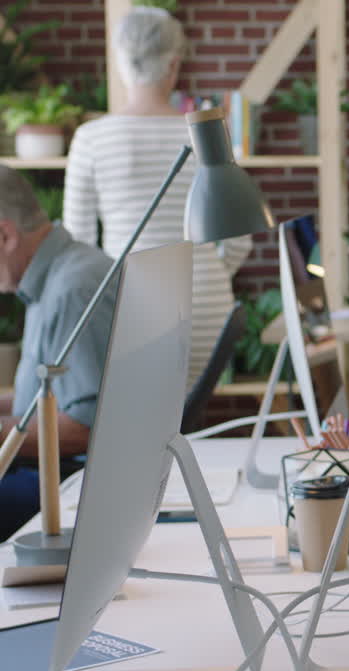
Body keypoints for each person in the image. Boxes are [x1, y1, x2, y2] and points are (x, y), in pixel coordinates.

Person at [63, 6, 251, 393]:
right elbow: (238, 239)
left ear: (120, 63)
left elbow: (78, 247)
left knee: (143, 423)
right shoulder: (206, 135)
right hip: (208, 308)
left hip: (132, 307)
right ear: (173, 65)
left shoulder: (92, 139)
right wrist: (206, 274)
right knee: (191, 420)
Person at [0, 166, 117, 540]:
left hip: (68, 484)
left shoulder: (74, 289)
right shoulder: (52, 276)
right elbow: (44, 398)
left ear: (5, 235)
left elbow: (88, 427)